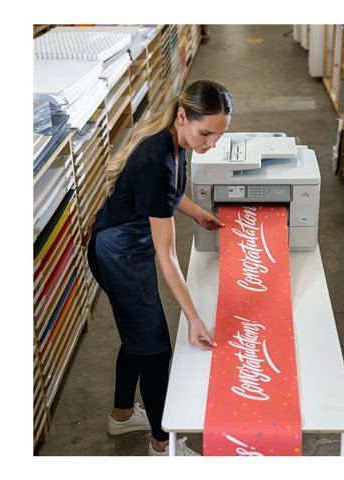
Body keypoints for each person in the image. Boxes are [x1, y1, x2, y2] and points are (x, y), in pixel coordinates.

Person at [86, 80, 232, 456]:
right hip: (121, 254)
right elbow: (167, 256)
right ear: (183, 116)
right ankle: (162, 446)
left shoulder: (174, 141)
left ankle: (121, 417)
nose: (211, 143)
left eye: (218, 135)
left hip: (123, 246)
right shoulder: (156, 160)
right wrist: (193, 318)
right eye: (206, 133)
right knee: (155, 351)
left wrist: (197, 213)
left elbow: (168, 195)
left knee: (137, 338)